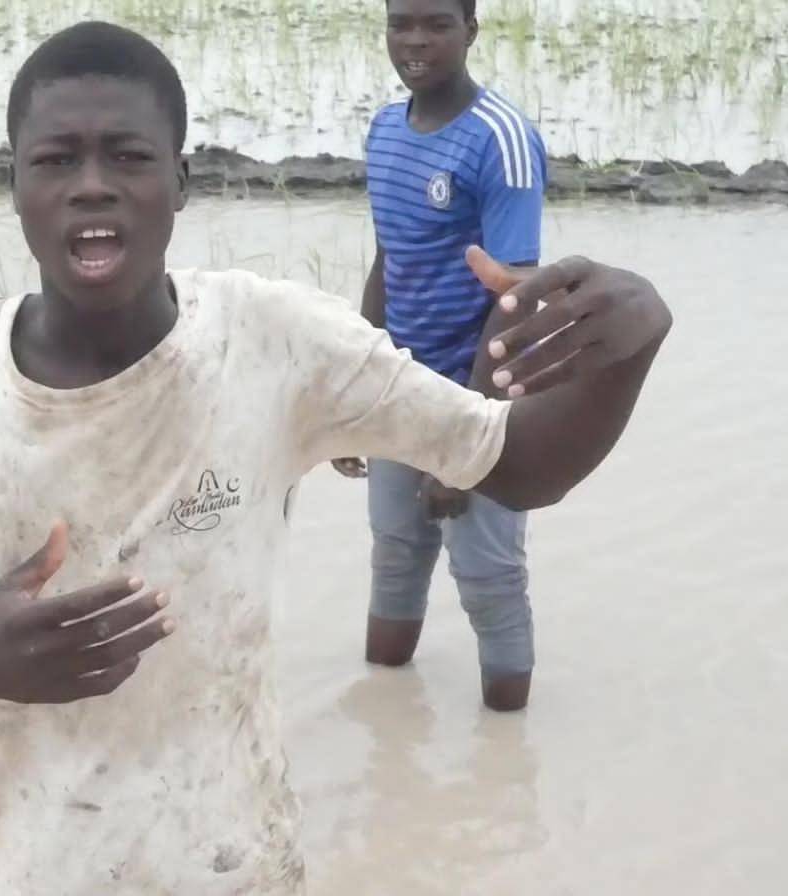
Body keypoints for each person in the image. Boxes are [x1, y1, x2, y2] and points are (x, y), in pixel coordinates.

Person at [0, 20, 670, 895]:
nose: (92, 187)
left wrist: (630, 352)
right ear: (15, 186)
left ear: (181, 182)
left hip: (240, 865)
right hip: (39, 869)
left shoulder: (272, 342)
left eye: (128, 157)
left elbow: (518, 463)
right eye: (55, 161)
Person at [332, 0, 550, 713]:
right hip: (398, 390)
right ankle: (384, 733)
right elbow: (389, 263)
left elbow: (515, 301)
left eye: (436, 23)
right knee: (394, 556)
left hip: (478, 397)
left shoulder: (501, 139)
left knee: (488, 579)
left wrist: (464, 441)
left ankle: (509, 760)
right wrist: (355, 399)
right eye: (402, 23)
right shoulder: (385, 130)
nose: (415, 41)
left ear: (471, 31)